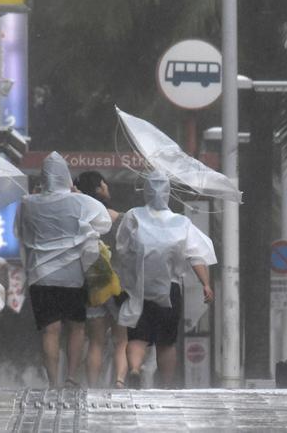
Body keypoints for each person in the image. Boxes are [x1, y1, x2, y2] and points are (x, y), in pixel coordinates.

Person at [114, 170, 216, 389]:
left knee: (137, 336)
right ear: (168, 193)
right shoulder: (181, 223)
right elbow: (196, 256)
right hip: (169, 289)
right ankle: (167, 385)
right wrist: (205, 283)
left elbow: (122, 248)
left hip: (138, 287)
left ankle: (133, 369)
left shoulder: (133, 216)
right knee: (166, 342)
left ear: (146, 192)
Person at [17, 153, 111, 388]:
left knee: (50, 330)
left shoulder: (28, 203)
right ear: (66, 176)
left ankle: (52, 382)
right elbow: (104, 223)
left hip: (41, 275)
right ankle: (71, 378)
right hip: (72, 276)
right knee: (76, 328)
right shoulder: (79, 202)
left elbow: (22, 232)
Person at [75, 171, 129, 388]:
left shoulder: (79, 218)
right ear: (98, 189)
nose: (107, 187)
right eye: (104, 184)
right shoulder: (119, 218)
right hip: (119, 286)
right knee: (121, 340)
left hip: (94, 283)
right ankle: (119, 381)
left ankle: (93, 384)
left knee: (96, 341)